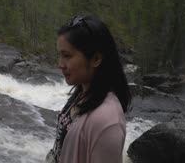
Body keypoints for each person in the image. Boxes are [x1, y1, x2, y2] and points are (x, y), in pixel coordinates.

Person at [45, 15, 132, 163]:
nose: (61, 64)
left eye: (67, 56)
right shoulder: (83, 92)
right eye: (60, 55)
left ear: (96, 59)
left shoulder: (107, 120)